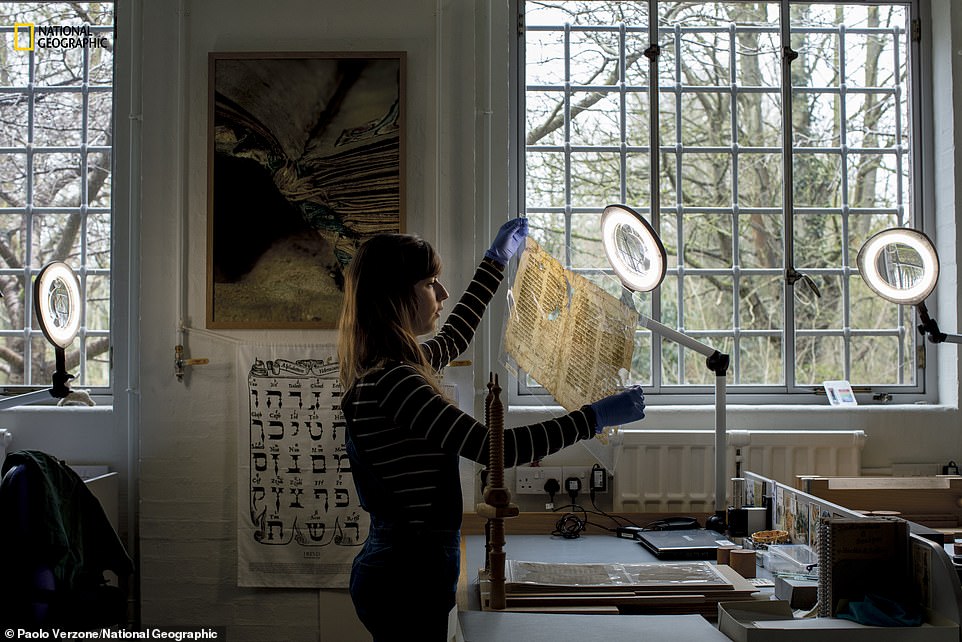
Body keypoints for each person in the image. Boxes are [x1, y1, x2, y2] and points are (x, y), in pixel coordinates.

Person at [337, 218, 646, 640]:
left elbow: (455, 337)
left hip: (402, 565)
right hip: (406, 575)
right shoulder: (396, 381)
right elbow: (493, 448)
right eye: (430, 283)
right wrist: (593, 418)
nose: (442, 293)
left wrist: (494, 261)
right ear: (395, 297)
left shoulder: (394, 367)